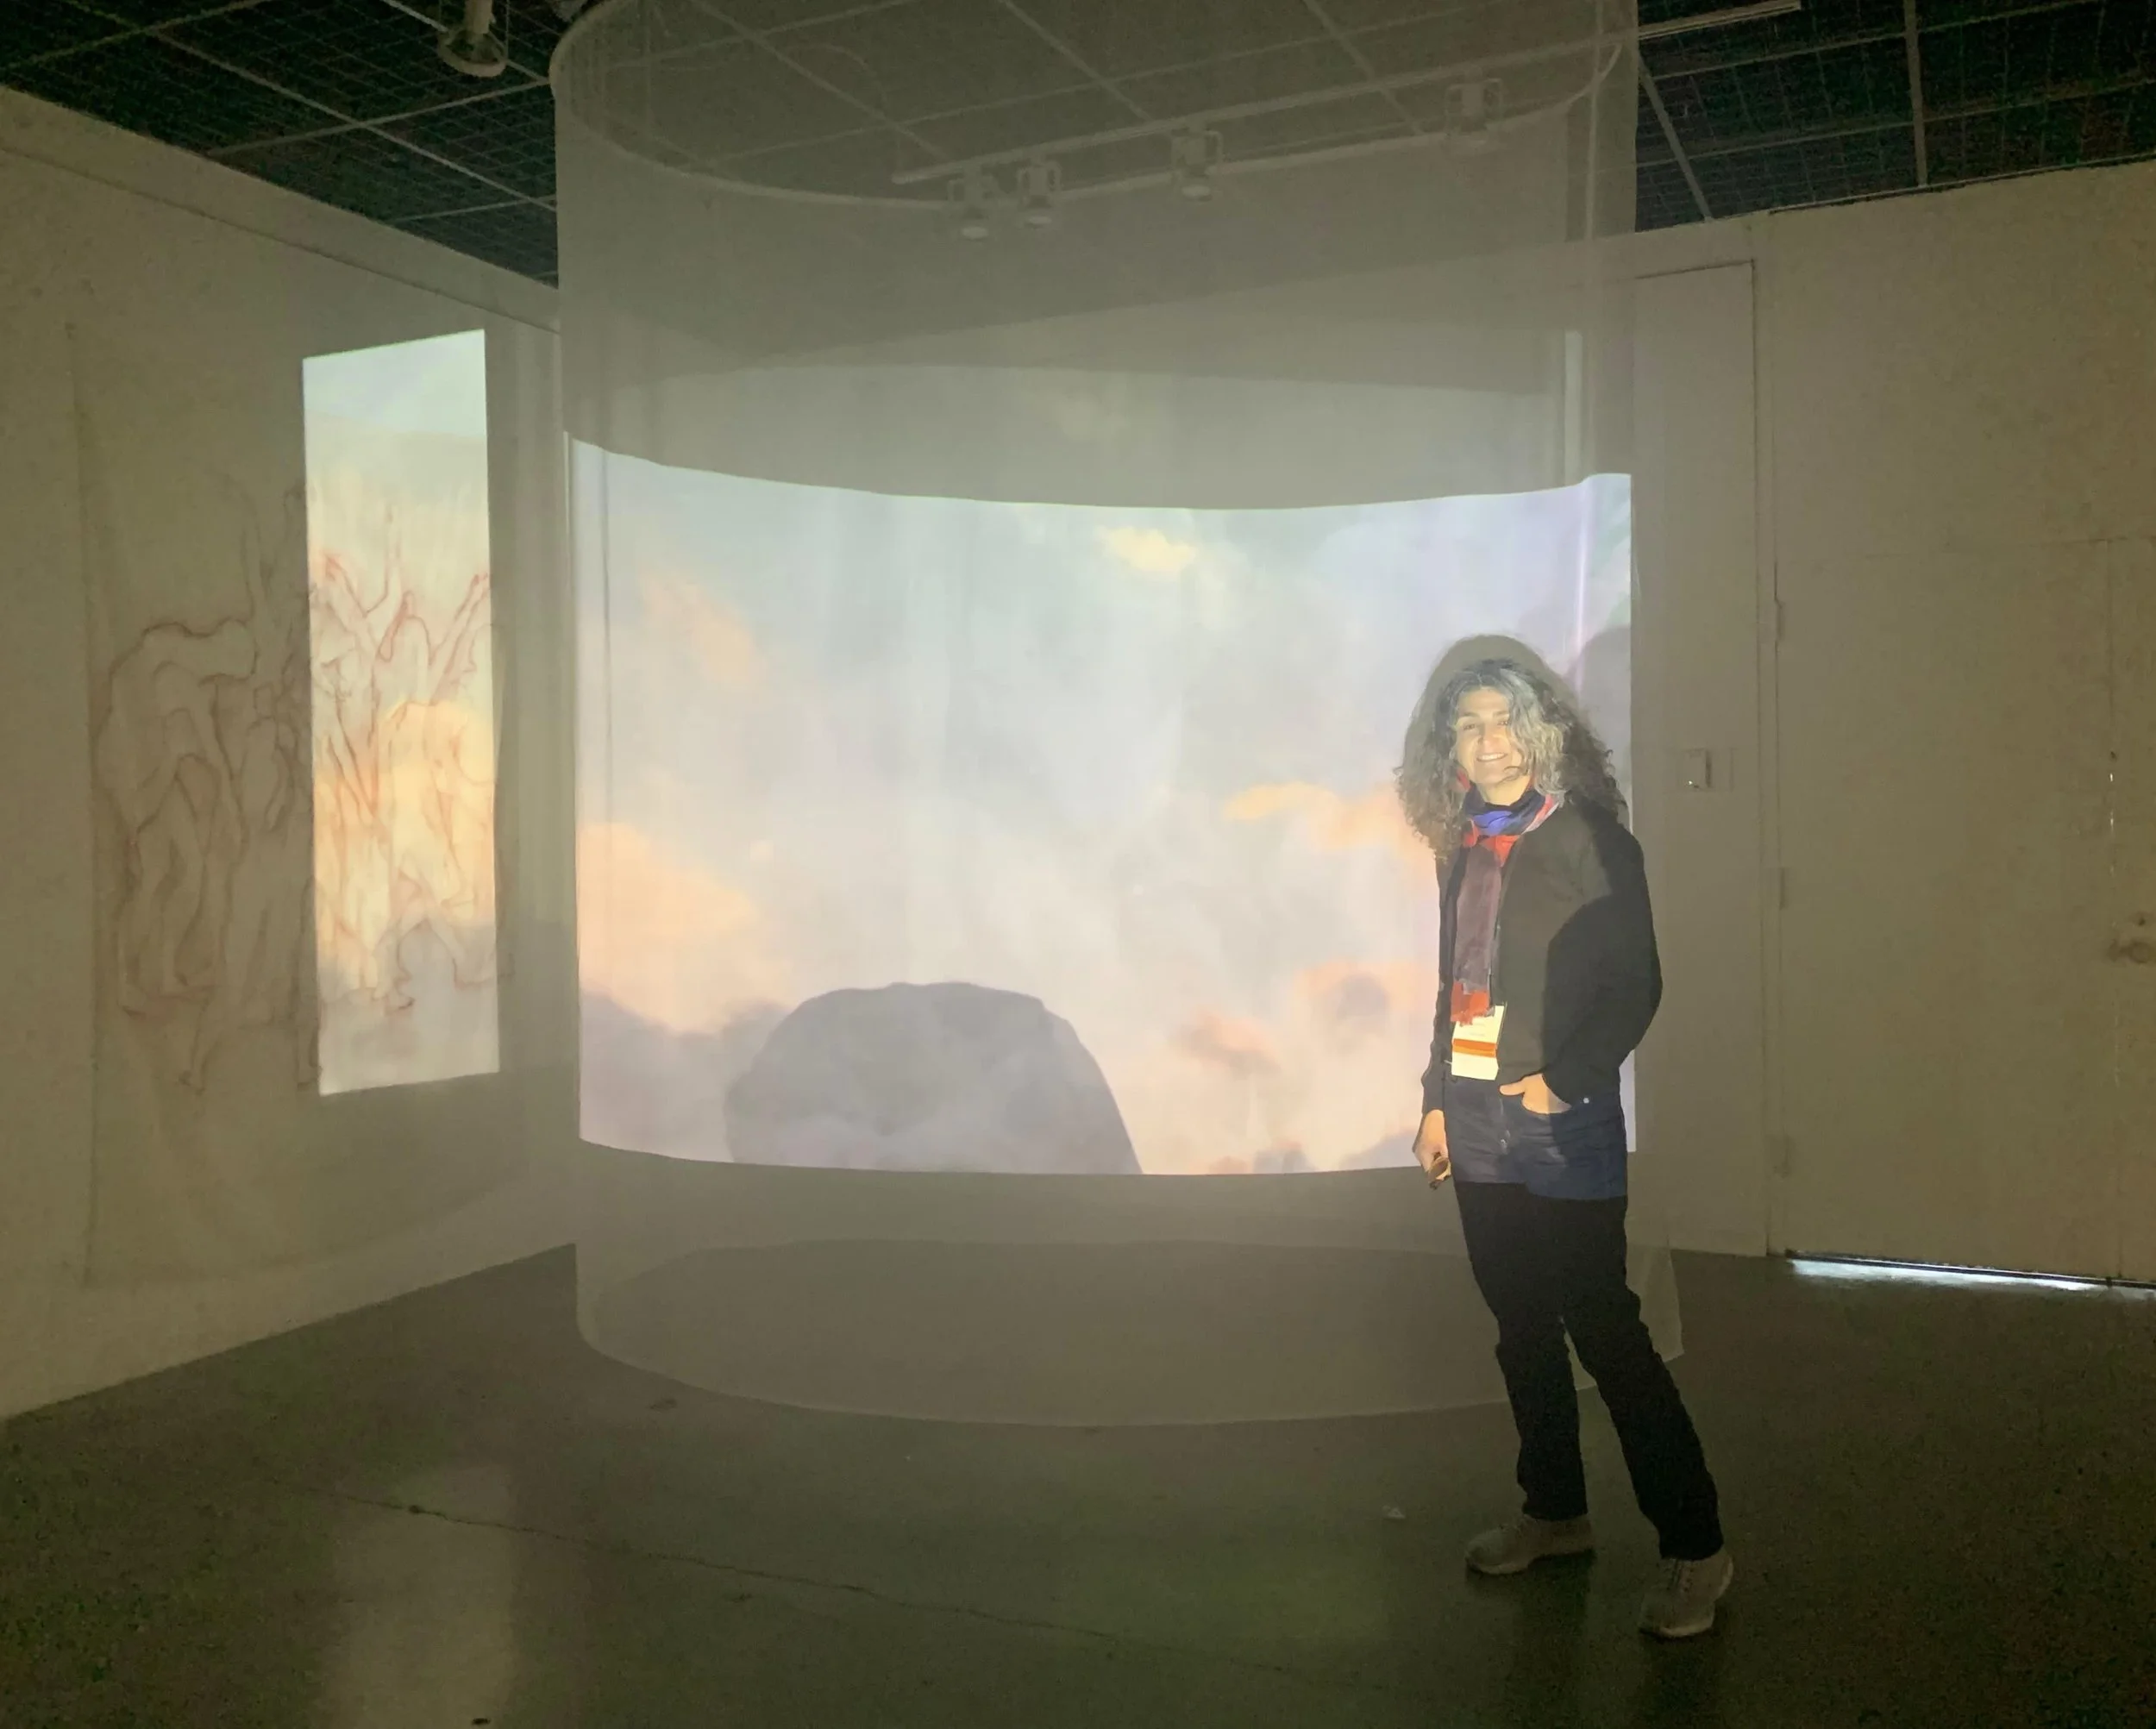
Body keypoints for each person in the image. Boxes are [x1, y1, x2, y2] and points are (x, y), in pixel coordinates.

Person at [1397, 655, 1732, 1640]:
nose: (1488, 740)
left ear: (1543, 732)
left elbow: (1637, 983)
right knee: (1519, 1326)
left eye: (1505, 720)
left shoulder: (1591, 838)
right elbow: (1459, 988)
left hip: (1561, 1122)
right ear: (1445, 745)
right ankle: (1556, 1513)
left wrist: (1564, 1080)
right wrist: (1436, 1102)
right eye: (1466, 724)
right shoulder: (1467, 847)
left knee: (1607, 1331)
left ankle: (1699, 1547)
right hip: (1476, 1118)